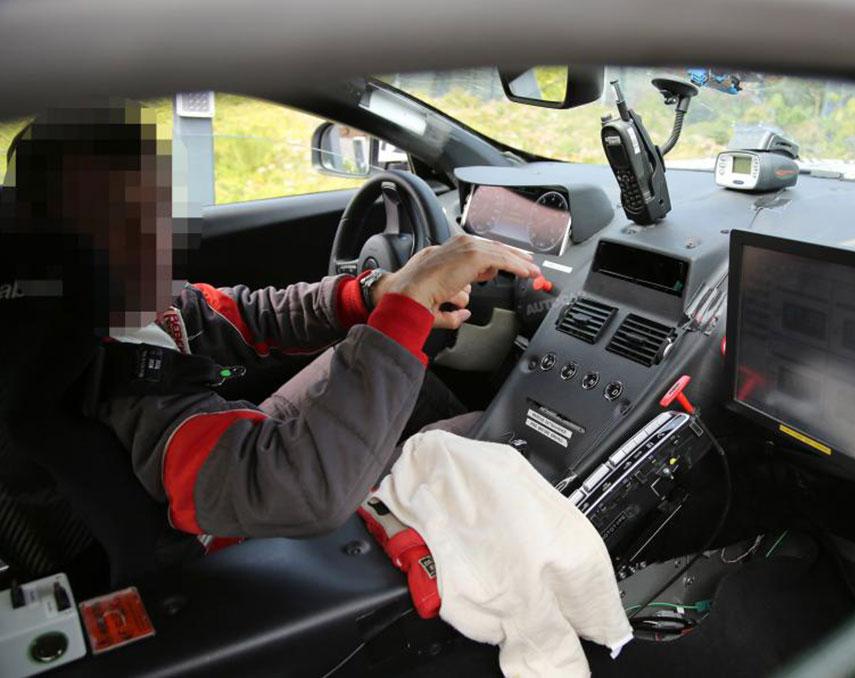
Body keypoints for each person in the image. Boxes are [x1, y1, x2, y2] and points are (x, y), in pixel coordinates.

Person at [0, 103, 540, 550]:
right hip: (234, 546)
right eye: (117, 220)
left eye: (156, 206)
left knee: (394, 374)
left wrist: (374, 295)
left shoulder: (113, 302)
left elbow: (248, 315)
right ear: (46, 238)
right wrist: (411, 303)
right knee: (484, 447)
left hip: (236, 459)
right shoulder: (101, 371)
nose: (157, 234)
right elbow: (298, 491)